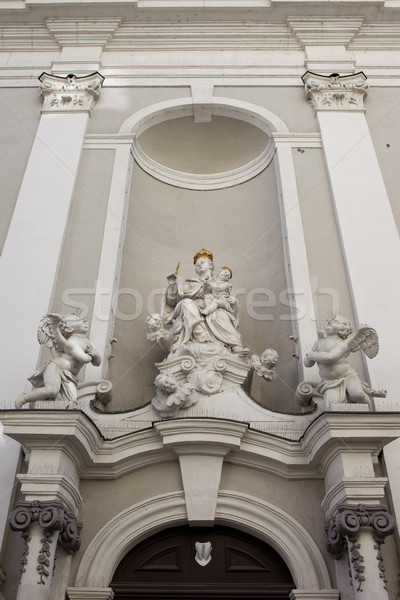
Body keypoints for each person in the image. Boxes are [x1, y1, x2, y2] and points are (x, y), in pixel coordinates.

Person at [162, 250, 247, 354]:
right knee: (187, 303)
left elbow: (227, 300)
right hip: (193, 307)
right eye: (197, 264)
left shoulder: (219, 283)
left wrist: (233, 302)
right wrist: (172, 286)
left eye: (202, 262)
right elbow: (172, 302)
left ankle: (235, 345)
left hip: (214, 308)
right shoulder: (190, 282)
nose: (199, 264)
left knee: (219, 314)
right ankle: (202, 335)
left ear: (211, 266)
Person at [16, 314, 101, 408]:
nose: (85, 321)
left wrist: (96, 355)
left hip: (69, 376)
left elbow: (97, 363)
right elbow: (84, 359)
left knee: (71, 402)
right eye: (79, 320)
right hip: (56, 367)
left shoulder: (89, 343)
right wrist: (91, 354)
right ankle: (24, 398)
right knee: (51, 390)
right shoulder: (70, 343)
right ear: (69, 329)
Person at [304, 315, 372, 409]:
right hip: (329, 382)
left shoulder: (341, 344)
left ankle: (370, 407)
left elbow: (330, 358)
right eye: (330, 319)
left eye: (335, 321)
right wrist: (307, 359)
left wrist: (312, 355)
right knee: (331, 406)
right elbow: (308, 364)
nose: (330, 321)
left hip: (347, 376)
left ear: (342, 330)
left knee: (357, 394)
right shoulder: (318, 343)